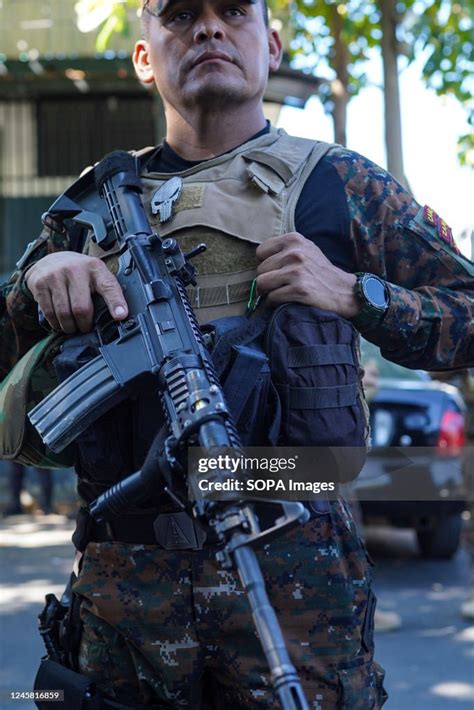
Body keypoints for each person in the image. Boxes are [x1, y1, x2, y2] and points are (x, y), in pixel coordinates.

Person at [0, 0, 473, 706]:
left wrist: (355, 294)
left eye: (232, 13)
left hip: (295, 589)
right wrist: (33, 286)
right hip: (125, 598)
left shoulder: (338, 184)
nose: (209, 29)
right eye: (182, 15)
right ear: (143, 56)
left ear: (272, 46)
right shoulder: (92, 207)